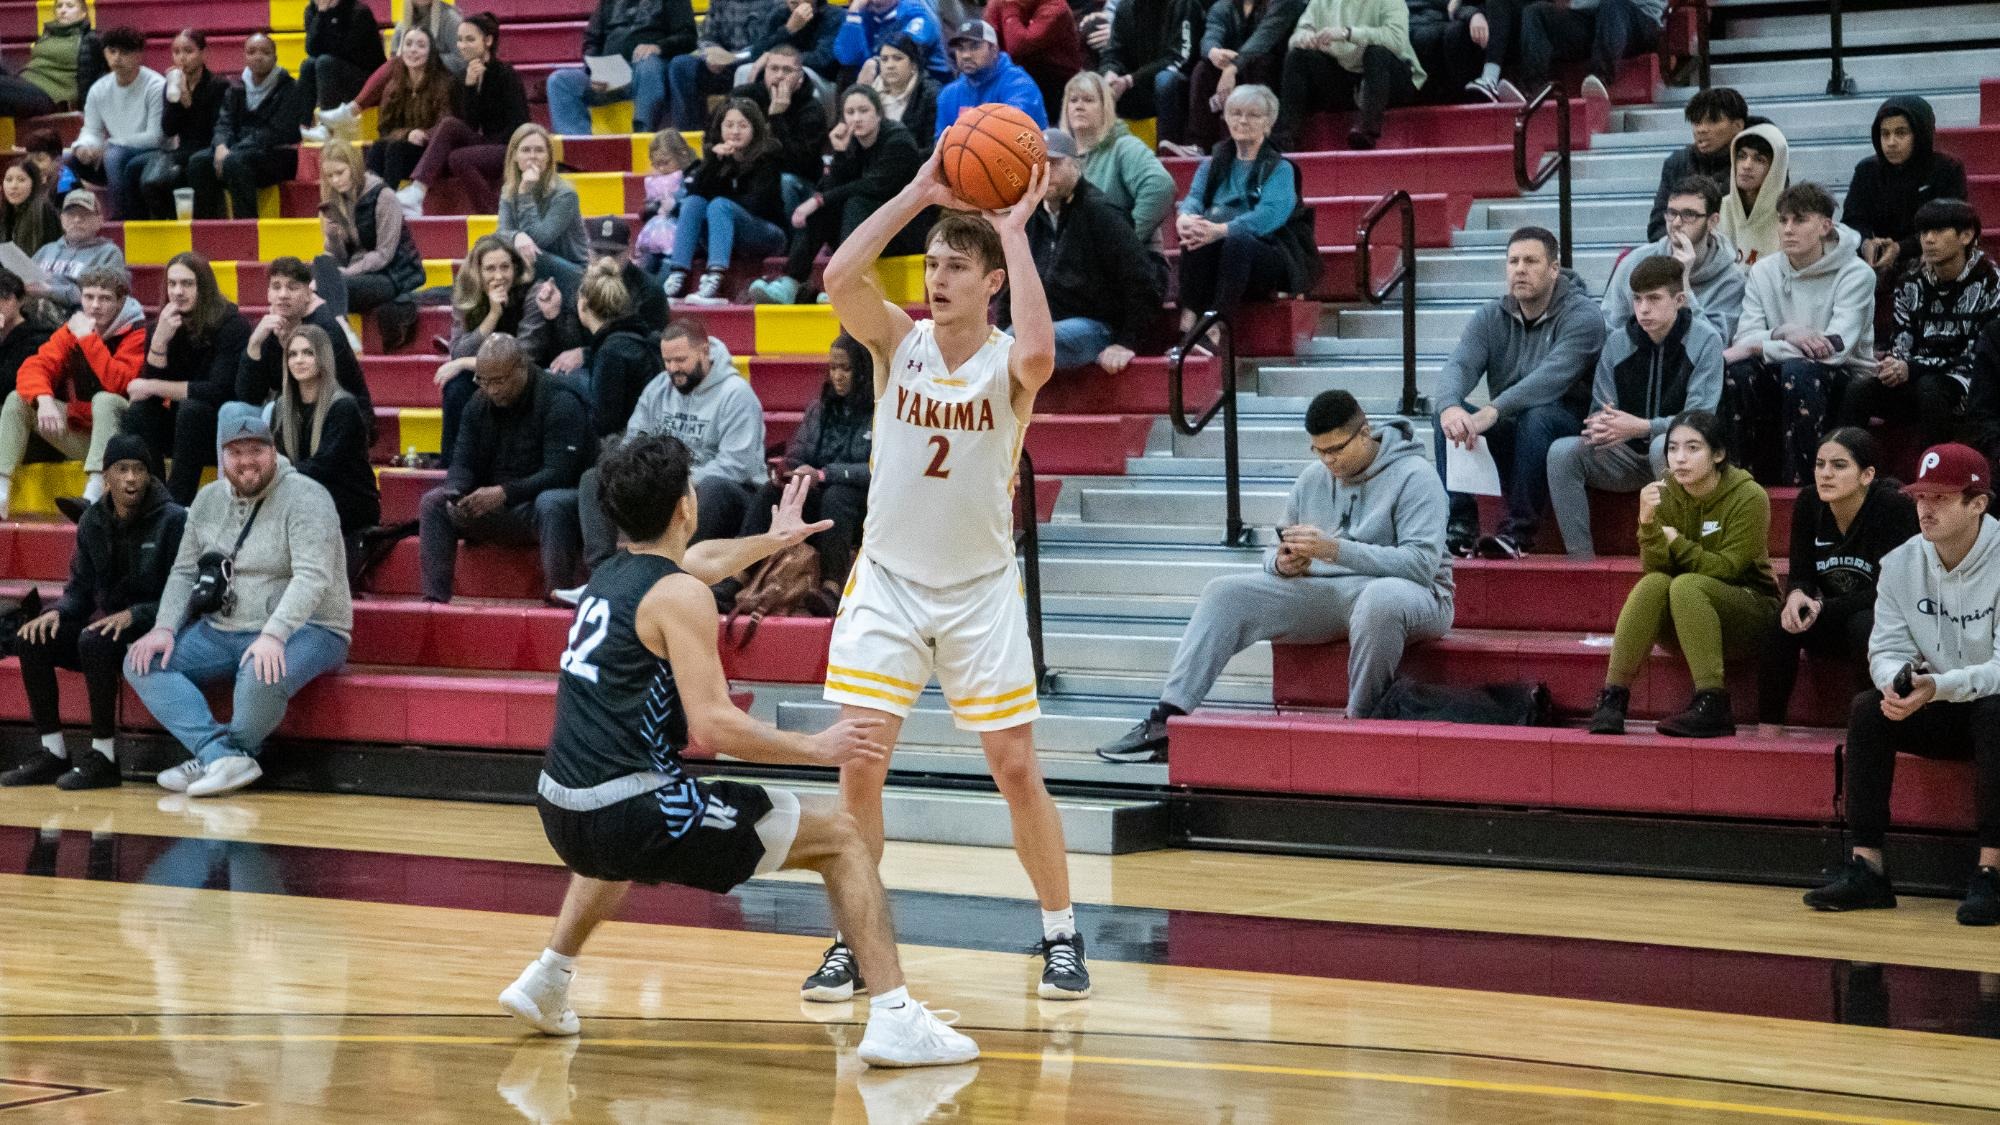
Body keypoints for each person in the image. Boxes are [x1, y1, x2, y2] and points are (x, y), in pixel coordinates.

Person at [495, 432, 977, 1068]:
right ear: (686, 505)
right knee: (842, 837)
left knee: (613, 828)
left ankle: (547, 978)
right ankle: (895, 1019)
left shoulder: (610, 578)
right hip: (630, 813)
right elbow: (716, 726)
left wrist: (772, 544)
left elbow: (702, 560)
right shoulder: (680, 597)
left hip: (561, 810)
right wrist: (818, 746)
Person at [814, 142, 1093, 1004]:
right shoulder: (897, 342)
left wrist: (1013, 230)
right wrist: (919, 192)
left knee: (1014, 765)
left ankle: (1061, 932)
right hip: (890, 582)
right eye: (932, 264)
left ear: (990, 281)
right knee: (859, 763)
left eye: (954, 266)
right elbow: (837, 277)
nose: (937, 278)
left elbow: (1044, 354)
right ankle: (853, 941)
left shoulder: (1008, 361)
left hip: (978, 590)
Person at [1099, 387, 1454, 757]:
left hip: (1415, 596)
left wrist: (1335, 550)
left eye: (1336, 449)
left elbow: (1420, 566)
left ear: (1365, 433)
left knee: (1379, 601)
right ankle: (1166, 720)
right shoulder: (1313, 478)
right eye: (1319, 450)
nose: (1328, 461)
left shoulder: (1416, 477)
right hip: (1334, 594)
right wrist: (1282, 564)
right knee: (1225, 592)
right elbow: (1275, 548)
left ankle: (1360, 724)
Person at [1803, 443, 2000, 925]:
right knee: (1870, 708)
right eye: (1919, 497)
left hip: (1988, 706)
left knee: (1997, 711)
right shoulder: (1900, 564)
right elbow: (1884, 649)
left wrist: (1943, 685)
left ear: (1977, 503)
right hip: (1936, 703)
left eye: (1939, 498)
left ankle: (1992, 872)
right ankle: (1868, 869)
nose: (1924, 509)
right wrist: (1898, 683)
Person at [123, 401, 351, 798]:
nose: (247, 462)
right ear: (222, 456)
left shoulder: (307, 497)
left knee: (260, 673)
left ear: (273, 452)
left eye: (256, 451)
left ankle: (224, 756)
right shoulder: (208, 500)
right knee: (140, 662)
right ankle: (219, 754)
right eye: (236, 453)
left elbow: (313, 576)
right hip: (223, 628)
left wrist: (275, 634)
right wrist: (164, 627)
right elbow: (183, 572)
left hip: (311, 627)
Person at [1, 434, 184, 791]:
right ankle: (52, 752)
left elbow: (183, 593)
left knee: (94, 639)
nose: (131, 478)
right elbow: (79, 590)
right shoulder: (92, 522)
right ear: (107, 476)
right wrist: (57, 612)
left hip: (154, 628)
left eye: (139, 470)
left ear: (150, 477)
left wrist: (138, 614)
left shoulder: (173, 520)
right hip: (108, 628)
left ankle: (105, 757)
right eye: (122, 469)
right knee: (31, 638)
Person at [1586, 410, 1779, 739]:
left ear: (1718, 454)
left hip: (1750, 611)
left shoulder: (1749, 496)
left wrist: (1677, 540)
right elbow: (1658, 572)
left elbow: (1729, 570)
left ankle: (1713, 702)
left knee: (1687, 584)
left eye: (1693, 448)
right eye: (1673, 449)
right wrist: (1647, 525)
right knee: (1655, 583)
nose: (1680, 458)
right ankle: (1613, 698)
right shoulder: (1663, 494)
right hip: (1690, 617)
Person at [552, 323, 762, 596]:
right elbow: (633, 443)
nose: (674, 368)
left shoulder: (737, 394)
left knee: (712, 488)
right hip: (667, 484)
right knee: (595, 478)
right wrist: (639, 477)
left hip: (729, 491)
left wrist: (675, 482)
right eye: (667, 361)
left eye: (681, 360)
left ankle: (678, 579)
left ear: (704, 351)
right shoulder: (658, 388)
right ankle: (603, 579)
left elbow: (737, 465)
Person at [1434, 226, 1603, 559]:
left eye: (1531, 261)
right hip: (1514, 429)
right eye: (1513, 262)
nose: (1520, 269)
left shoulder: (1584, 316)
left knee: (1537, 415)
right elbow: (1460, 366)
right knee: (1449, 415)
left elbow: (1550, 380)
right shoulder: (1490, 316)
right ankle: (1461, 526)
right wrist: (1449, 406)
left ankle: (1518, 533)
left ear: (1554, 269)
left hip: (1567, 426)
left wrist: (1492, 410)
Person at [1548, 255, 1724, 560]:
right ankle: (1581, 562)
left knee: (1662, 446)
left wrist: (1642, 426)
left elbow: (1700, 420)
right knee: (1562, 453)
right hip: (1625, 455)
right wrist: (1603, 427)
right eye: (1638, 299)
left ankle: (1678, 553)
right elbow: (1599, 412)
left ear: (1679, 300)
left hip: (1687, 457)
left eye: (1654, 299)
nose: (1643, 309)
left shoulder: (1706, 340)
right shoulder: (1617, 343)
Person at [1756, 428, 1917, 736]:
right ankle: (1769, 731)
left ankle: (1879, 727)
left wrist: (1820, 607)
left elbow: (1890, 593)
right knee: (1783, 620)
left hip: (1890, 623)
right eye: (1820, 464)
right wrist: (1796, 595)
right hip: (1830, 614)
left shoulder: (1893, 506)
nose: (1825, 474)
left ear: (1867, 474)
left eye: (1839, 466)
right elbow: (1802, 572)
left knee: (1863, 624)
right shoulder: (1809, 502)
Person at [1724, 183, 1876, 487]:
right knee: (1738, 373)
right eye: (1783, 221)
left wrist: (1762, 348)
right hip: (1783, 370)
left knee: (1800, 371)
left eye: (1799, 220)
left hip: (1842, 376)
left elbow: (1835, 349)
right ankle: (1744, 484)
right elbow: (1744, 338)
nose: (1788, 229)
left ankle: (1803, 486)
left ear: (1825, 226)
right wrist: (1784, 332)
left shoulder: (1856, 274)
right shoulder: (1762, 271)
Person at [418, 334, 591, 603]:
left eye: (499, 381)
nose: (492, 390)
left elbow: (560, 473)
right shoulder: (478, 402)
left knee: (552, 503)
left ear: (521, 368)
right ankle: (434, 602)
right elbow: (462, 461)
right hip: (500, 505)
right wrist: (456, 491)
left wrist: (504, 493)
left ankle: (558, 598)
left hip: (546, 509)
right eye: (483, 381)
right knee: (435, 503)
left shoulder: (560, 400)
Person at [1840, 199, 2000, 448]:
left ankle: (1937, 473)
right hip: (1918, 379)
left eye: (1938, 231)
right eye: (1924, 232)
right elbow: (1902, 340)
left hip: (1971, 387)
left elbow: (1976, 357)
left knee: (1931, 388)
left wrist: (1913, 368)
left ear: (1966, 236)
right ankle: (1850, 467)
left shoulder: (1991, 283)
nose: (1928, 239)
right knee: (1860, 388)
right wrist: (1894, 364)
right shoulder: (1910, 282)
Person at [748, 85, 924, 306]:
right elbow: (832, 188)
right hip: (868, 234)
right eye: (850, 113)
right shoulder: (851, 144)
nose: (856, 118)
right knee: (824, 210)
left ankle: (846, 284)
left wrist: (818, 199)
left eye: (863, 111)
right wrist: (839, 154)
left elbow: (876, 186)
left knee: (853, 203)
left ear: (878, 114)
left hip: (905, 232)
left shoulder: (899, 140)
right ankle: (790, 283)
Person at [1013, 128, 1162, 372]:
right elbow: (1014, 283)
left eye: (1055, 164)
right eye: (1039, 164)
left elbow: (1142, 281)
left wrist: (1126, 342)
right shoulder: (1029, 215)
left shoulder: (1101, 212)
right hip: (1043, 325)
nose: (1046, 172)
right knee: (999, 343)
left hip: (1095, 326)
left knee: (1027, 343)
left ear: (1076, 166)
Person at [0, 267, 144, 518]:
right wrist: (44, 401)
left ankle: (94, 492)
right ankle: (1, 491)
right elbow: (33, 367)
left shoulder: (137, 332)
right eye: (88, 297)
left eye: (105, 298)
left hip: (121, 439)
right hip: (82, 434)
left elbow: (118, 384)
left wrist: (88, 338)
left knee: (106, 400)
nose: (95, 306)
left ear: (122, 301)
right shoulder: (73, 329)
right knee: (18, 399)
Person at [1172, 85, 1319, 326]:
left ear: (1268, 122)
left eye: (1253, 115)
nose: (1243, 121)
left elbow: (1269, 215)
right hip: (1219, 253)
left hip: (1269, 253)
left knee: (1237, 239)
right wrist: (1184, 217)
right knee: (1195, 229)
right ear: (1227, 117)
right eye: (1236, 113)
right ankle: (1188, 319)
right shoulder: (1211, 164)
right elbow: (1195, 198)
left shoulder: (1281, 168)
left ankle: (1217, 326)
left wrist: (1221, 230)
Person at [732, 334, 871, 587]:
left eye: (846, 369)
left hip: (862, 506)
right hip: (819, 498)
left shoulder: (880, 410)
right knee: (770, 492)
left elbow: (877, 470)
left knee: (838, 495)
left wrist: (824, 475)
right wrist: (787, 471)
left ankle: (831, 585)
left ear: (863, 371)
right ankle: (738, 573)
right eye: (833, 368)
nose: (837, 376)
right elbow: (797, 456)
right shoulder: (819, 408)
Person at [122, 252, 252, 505]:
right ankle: (155, 498)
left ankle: (177, 502)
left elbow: (219, 390)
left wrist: (153, 386)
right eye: (172, 284)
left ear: (203, 287)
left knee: (193, 410)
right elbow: (145, 394)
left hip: (217, 428)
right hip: (181, 429)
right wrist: (159, 341)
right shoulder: (161, 326)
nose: (178, 291)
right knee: (138, 412)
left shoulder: (232, 325)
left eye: (187, 284)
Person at [393, 14, 530, 217]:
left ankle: (492, 214)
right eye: (459, 40)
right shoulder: (462, 78)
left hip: (511, 146)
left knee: (459, 158)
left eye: (470, 39)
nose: (462, 45)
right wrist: (469, 88)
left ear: (488, 41)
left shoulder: (505, 74)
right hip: (485, 143)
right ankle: (417, 191)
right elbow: (469, 124)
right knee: (450, 129)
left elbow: (520, 124)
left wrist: (487, 146)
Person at [436, 235, 554, 464]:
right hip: (486, 373)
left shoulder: (533, 292)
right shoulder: (467, 293)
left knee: (479, 381)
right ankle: (453, 468)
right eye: (490, 269)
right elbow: (459, 350)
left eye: (505, 267)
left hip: (526, 375)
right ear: (478, 272)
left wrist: (464, 364)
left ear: (515, 267)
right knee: (456, 387)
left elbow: (524, 355)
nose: (499, 276)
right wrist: (493, 315)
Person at [274, 325, 380, 576]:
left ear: (322, 358)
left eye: (308, 353)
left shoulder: (343, 406)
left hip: (348, 499)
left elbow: (325, 465)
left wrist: (277, 472)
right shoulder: (281, 407)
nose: (299, 360)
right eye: (293, 354)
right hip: (305, 494)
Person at [666, 99, 787, 306]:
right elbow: (696, 192)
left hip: (767, 233)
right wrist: (714, 162)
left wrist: (723, 201)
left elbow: (758, 204)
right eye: (729, 125)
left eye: (742, 125)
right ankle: (678, 273)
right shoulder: (717, 156)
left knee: (719, 204)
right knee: (694, 202)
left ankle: (715, 277)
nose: (735, 132)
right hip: (726, 231)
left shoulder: (768, 156)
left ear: (754, 128)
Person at [1603, 176, 1745, 342]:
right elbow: (1609, 330)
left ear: (1712, 221)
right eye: (1672, 213)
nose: (1676, 223)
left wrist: (1683, 282)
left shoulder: (1731, 280)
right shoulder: (1635, 262)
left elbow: (1714, 345)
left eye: (1689, 214)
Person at [1844, 96, 1970, 282]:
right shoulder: (1867, 170)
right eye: (1885, 134)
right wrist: (1865, 244)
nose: (1891, 142)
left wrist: (1900, 248)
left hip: (1931, 253)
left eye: (1901, 133)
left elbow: (1951, 225)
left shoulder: (1947, 169)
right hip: (1878, 258)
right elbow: (1852, 221)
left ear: (1919, 134)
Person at [312, 141, 423, 352]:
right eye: (330, 176)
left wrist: (347, 273)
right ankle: (341, 324)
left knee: (330, 283)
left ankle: (340, 330)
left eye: (340, 172)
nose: (335, 180)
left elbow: (384, 254)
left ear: (353, 166)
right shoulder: (334, 200)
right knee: (317, 267)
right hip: (358, 275)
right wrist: (333, 237)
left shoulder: (383, 196)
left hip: (392, 274)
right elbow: (339, 256)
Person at [306, 0, 466, 142]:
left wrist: (429, 59)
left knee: (397, 62)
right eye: (409, 43)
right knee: (310, 64)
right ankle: (300, 129)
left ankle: (350, 111)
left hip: (443, 81)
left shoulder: (450, 18)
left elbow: (462, 60)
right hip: (411, 83)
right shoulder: (404, 21)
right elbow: (395, 55)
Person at [237, 257, 372, 422]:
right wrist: (254, 344)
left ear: (308, 294)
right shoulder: (266, 328)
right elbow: (248, 396)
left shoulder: (325, 328)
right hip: (292, 413)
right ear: (268, 294)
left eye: (292, 288)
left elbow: (325, 390)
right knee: (232, 411)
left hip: (340, 414)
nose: (283, 295)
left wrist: (288, 345)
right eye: (276, 287)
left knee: (277, 409)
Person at [1276, 0, 1423, 151]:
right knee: (1297, 56)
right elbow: (1297, 35)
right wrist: (1303, 37)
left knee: (1377, 52)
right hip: (1346, 77)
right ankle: (1286, 137)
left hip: (1391, 78)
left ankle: (1367, 131)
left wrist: (1348, 33)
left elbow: (1396, 40)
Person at [190, 33, 306, 221]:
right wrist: (220, 146)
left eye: (265, 52)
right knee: (198, 162)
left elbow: (276, 132)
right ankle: (207, 226)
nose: (258, 56)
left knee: (235, 162)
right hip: (240, 152)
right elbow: (224, 123)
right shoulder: (235, 87)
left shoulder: (290, 88)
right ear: (244, 56)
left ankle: (246, 226)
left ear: (275, 58)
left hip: (277, 156)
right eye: (251, 52)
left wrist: (232, 151)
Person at [543, 0, 697, 136]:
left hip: (647, 70)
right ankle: (578, 145)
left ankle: (642, 134)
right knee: (559, 80)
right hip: (609, 73)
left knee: (649, 64)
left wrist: (659, 47)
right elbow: (591, 41)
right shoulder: (607, 2)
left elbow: (688, 37)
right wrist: (595, 67)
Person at [1469, 0, 1663, 106]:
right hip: (1594, 19)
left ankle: (1600, 77)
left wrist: (1573, 4)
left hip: (1640, 18)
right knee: (1536, 13)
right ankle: (1532, 87)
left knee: (1612, 5)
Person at [1060, 70, 1175, 245]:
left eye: (1088, 100)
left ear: (1106, 107)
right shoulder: (1060, 156)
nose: (1079, 106)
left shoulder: (1124, 146)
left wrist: (1124, 243)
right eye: (1073, 100)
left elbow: (1161, 187)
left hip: (1124, 268)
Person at [64, 26, 165, 222]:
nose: (117, 58)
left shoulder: (155, 85)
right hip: (114, 154)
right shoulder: (99, 88)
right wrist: (84, 146)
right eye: (112, 51)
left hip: (153, 152)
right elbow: (91, 130)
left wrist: (110, 144)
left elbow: (156, 136)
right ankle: (72, 214)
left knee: (113, 155)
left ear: (139, 55)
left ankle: (121, 219)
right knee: (67, 159)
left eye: (124, 52)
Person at [131, 30, 227, 221]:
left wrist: (188, 102)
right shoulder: (171, 84)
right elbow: (168, 129)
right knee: (136, 168)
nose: (181, 58)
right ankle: (155, 227)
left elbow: (215, 127)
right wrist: (175, 96)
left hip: (208, 147)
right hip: (184, 148)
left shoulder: (219, 85)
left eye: (188, 51)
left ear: (203, 53)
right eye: (176, 52)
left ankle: (202, 224)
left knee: (195, 164)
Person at [728, 45, 830, 212]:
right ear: (765, 71)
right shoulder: (744, 97)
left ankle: (794, 237)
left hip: (798, 183)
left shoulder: (812, 110)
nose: (779, 76)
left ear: (800, 78)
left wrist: (777, 118)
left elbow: (799, 164)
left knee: (785, 180)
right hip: (753, 177)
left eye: (787, 70)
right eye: (774, 68)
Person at [1646, 87, 1754, 244]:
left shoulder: (1756, 163)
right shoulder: (1677, 163)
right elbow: (1658, 227)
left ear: (1738, 126)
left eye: (1712, 121)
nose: (1701, 129)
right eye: (1697, 122)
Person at [573, 259, 662, 441]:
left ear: (583, 304)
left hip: (632, 453)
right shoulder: (633, 337)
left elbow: (604, 424)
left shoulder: (611, 352)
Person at [498, 124, 591, 296]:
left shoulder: (565, 194)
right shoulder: (509, 189)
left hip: (573, 272)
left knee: (526, 255)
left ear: (548, 157)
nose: (532, 156)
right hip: (533, 263)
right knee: (485, 248)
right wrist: (517, 236)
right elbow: (501, 233)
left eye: (539, 150)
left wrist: (525, 193)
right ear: (514, 157)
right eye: (525, 150)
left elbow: (539, 240)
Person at [1180, 0, 1282, 153]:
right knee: (1202, 70)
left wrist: (1234, 67)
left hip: (1266, 73)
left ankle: (1257, 142)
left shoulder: (1276, 6)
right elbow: (1210, 36)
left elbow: (1262, 41)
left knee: (1260, 64)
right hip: (1228, 70)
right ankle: (1199, 145)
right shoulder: (1223, 7)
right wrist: (1213, 52)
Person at [364, 27, 455, 189]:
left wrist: (424, 135)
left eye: (420, 45)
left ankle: (387, 201)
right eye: (408, 44)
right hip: (402, 152)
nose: (413, 50)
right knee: (378, 147)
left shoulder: (444, 83)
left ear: (430, 52)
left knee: (395, 148)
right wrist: (408, 134)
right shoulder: (394, 85)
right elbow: (384, 129)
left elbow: (447, 124)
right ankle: (371, 200)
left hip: (433, 153)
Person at [932, 20, 1048, 141]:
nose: (966, 55)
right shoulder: (948, 95)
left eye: (974, 47)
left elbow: (1010, 133)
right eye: (960, 49)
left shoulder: (1020, 85)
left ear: (994, 50)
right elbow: (941, 145)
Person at [663, 0, 768, 131]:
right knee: (680, 65)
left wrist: (734, 56)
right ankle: (690, 131)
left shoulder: (773, 3)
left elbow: (771, 41)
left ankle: (750, 129)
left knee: (750, 69)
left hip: (753, 60)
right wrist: (711, 53)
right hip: (720, 63)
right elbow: (706, 37)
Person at [1096, 0, 1204, 123]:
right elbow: (1113, 53)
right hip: (1135, 83)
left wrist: (1130, 80)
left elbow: (1180, 57)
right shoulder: (1126, 5)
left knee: (1165, 80)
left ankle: (1167, 140)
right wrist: (1109, 73)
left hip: (1177, 83)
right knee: (1096, 83)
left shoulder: (1184, 4)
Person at [0, 0, 103, 119]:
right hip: (24, 84)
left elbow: (102, 76)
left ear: (83, 13)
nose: (63, 10)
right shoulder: (48, 35)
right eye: (59, 6)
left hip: (50, 96)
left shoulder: (91, 39)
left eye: (70, 6)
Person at [29, 191, 124, 313]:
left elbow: (103, 296)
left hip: (77, 317)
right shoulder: (46, 250)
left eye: (84, 214)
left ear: (99, 220)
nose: (77, 219)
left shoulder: (108, 253)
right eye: (71, 214)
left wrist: (50, 291)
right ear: (62, 219)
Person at [990, 0, 1087, 111]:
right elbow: (987, 40)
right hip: (1014, 80)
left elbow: (1018, 47)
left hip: (1057, 86)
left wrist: (1010, 9)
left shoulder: (1056, 6)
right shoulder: (999, 3)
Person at [834, 0, 953, 87]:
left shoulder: (915, 14)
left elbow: (906, 52)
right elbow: (846, 58)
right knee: (847, 74)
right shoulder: (864, 16)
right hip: (882, 83)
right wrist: (853, 13)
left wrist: (875, 63)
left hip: (928, 86)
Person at [1717, 124, 1789, 267]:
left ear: (1775, 168)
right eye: (1741, 156)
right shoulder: (1719, 208)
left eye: (1759, 159)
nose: (1747, 165)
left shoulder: (1789, 216)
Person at [299, 0, 387, 113]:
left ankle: (329, 123)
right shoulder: (312, 11)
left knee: (325, 63)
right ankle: (302, 123)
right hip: (332, 73)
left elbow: (344, 50)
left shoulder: (358, 11)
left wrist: (329, 14)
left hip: (367, 81)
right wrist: (321, 15)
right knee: (308, 65)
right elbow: (311, 49)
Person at [859, 33, 940, 149]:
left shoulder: (930, 94)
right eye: (884, 59)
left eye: (897, 58)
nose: (890, 65)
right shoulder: (871, 92)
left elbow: (930, 148)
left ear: (913, 65)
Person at [1404, 0, 1482, 99]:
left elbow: (1454, 6)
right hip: (1407, 19)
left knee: (1451, 33)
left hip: (1441, 19)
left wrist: (1471, 13)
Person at [0, 272, 55, 407]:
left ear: (20, 301)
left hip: (22, 406)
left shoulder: (38, 337)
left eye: (6, 297)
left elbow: (7, 385)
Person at [0, 161, 61, 259]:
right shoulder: (7, 211)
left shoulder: (42, 209)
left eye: (21, 180)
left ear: (34, 183)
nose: (13, 186)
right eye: (8, 180)